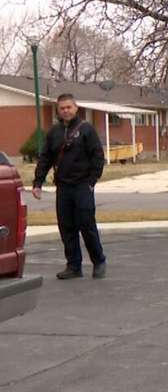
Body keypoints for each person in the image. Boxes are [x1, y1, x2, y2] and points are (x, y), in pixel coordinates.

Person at [31, 94, 107, 280]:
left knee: (86, 224)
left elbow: (97, 156)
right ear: (58, 110)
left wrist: (91, 181)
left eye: (68, 107)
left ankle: (99, 261)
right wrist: (38, 182)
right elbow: (46, 158)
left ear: (75, 108)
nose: (65, 111)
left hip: (82, 185)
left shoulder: (87, 130)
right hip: (63, 187)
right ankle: (73, 266)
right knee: (67, 227)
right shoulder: (54, 132)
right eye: (62, 108)